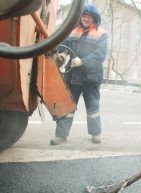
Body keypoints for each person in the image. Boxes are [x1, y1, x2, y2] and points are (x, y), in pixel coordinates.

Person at [50, 4, 108, 145]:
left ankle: (95, 134)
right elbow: (65, 47)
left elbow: (100, 55)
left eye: (89, 17)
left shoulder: (101, 34)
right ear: (80, 16)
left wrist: (82, 61)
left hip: (91, 78)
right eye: (84, 16)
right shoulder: (73, 31)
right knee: (67, 107)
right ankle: (61, 135)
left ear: (94, 19)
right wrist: (63, 55)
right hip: (73, 77)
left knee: (92, 107)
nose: (86, 19)